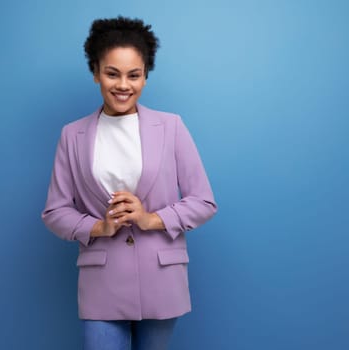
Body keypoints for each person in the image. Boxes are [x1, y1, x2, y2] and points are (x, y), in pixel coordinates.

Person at [41, 16, 217, 350]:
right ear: (95, 72)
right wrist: (99, 227)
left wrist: (152, 219)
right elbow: (55, 211)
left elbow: (203, 201)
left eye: (134, 75)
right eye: (112, 73)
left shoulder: (171, 127)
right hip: (101, 279)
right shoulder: (72, 135)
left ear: (145, 77)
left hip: (162, 276)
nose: (124, 85)